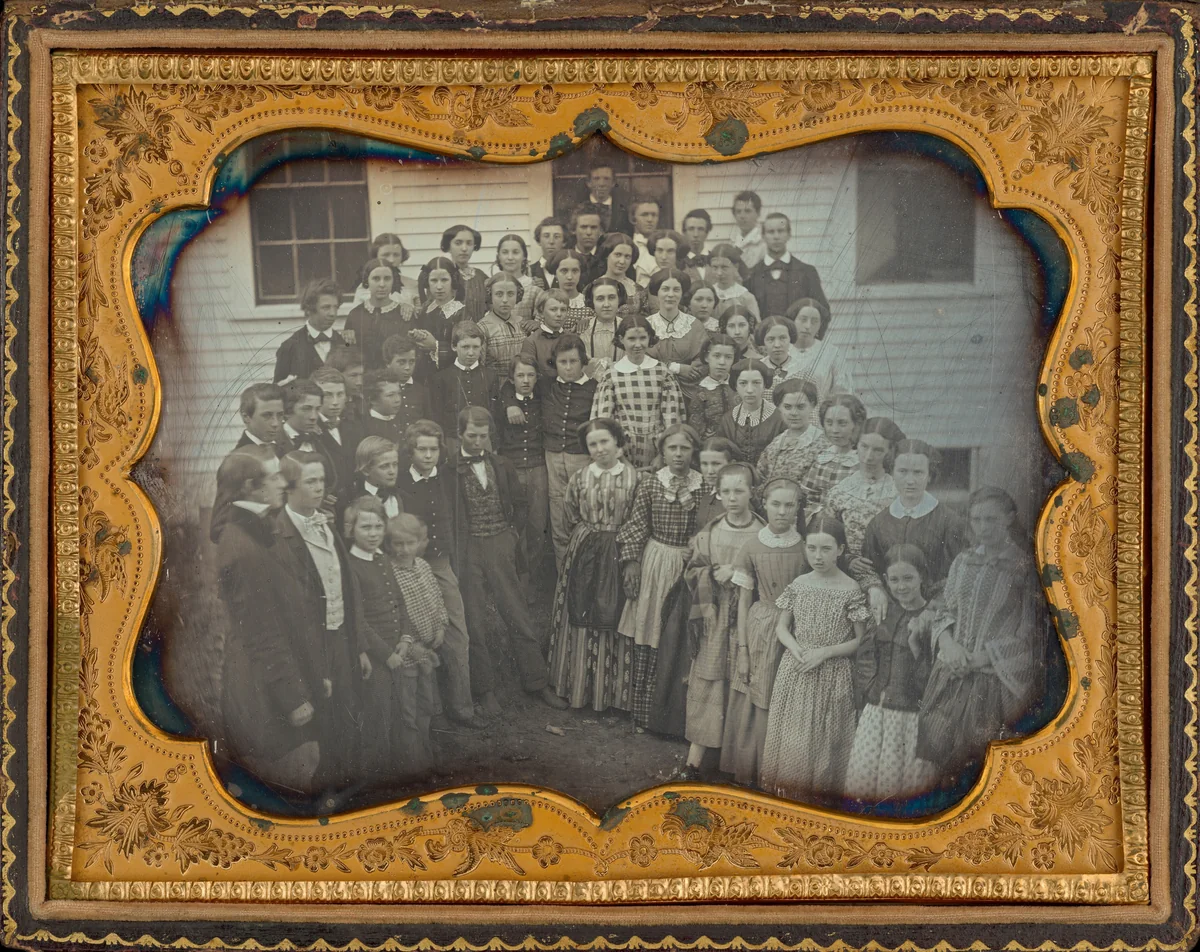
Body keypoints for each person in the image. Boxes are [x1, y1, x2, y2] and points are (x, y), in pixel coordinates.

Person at [910, 488, 1043, 789]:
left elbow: (1031, 634)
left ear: (1009, 518)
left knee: (977, 768)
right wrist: (948, 644)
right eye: (976, 520)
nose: (983, 527)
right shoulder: (963, 561)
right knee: (935, 759)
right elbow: (945, 609)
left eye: (991, 519)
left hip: (990, 680)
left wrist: (982, 658)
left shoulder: (1024, 568)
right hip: (950, 671)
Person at [215, 447, 324, 795]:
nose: (283, 483)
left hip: (275, 675)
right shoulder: (243, 546)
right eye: (275, 476)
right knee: (286, 782)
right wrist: (292, 697)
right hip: (266, 689)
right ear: (251, 486)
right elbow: (260, 633)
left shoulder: (257, 530)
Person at [273, 451, 375, 807]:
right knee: (322, 721)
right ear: (289, 486)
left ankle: (348, 790)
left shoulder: (325, 525)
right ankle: (320, 797)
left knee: (348, 712)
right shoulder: (278, 535)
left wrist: (359, 645)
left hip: (341, 637)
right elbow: (286, 611)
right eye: (311, 481)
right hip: (309, 645)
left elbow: (348, 588)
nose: (320, 488)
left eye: (322, 480)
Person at [451, 407, 568, 714]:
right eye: (471, 436)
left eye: (483, 435)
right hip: (469, 549)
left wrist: (511, 535)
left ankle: (537, 681)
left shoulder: (501, 464)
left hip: (500, 545)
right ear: (460, 435)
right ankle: (485, 690)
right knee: (474, 620)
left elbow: (519, 502)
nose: (478, 441)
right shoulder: (451, 470)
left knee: (516, 611)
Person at [759, 514, 871, 801]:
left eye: (826, 549)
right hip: (797, 670)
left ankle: (818, 802)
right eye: (812, 548)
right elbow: (782, 628)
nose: (818, 556)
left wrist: (825, 652)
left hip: (833, 674)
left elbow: (860, 640)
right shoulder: (799, 583)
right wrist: (795, 648)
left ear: (840, 550)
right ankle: (789, 798)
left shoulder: (850, 589)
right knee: (795, 737)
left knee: (823, 739)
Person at [678, 462, 765, 780]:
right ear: (717, 493)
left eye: (739, 491)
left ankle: (737, 766)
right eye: (725, 491)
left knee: (743, 681)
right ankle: (693, 762)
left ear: (751, 492)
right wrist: (712, 573)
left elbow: (770, 580)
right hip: (714, 616)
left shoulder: (762, 532)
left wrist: (739, 573)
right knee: (709, 678)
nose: (732, 497)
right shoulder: (712, 530)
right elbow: (693, 569)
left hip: (747, 618)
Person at [547, 418, 641, 711]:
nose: (600, 449)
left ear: (617, 442)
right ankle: (579, 688)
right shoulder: (580, 478)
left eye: (604, 441)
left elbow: (638, 519)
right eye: (593, 444)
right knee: (581, 608)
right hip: (585, 548)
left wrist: (624, 550)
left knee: (616, 612)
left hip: (621, 550)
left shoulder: (635, 478)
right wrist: (590, 537)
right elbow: (569, 515)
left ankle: (613, 695)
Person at [616, 423, 702, 731]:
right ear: (662, 452)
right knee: (650, 630)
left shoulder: (703, 486)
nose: (678, 454)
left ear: (693, 452)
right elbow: (637, 525)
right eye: (672, 448)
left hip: (686, 565)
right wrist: (631, 562)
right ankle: (642, 712)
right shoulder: (651, 484)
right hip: (655, 562)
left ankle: (671, 716)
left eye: (685, 448)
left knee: (675, 635)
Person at [723, 477, 808, 785]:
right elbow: (745, 600)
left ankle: (781, 771)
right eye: (776, 504)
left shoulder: (805, 547)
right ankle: (753, 771)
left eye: (789, 505)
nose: (782, 511)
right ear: (765, 505)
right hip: (760, 626)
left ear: (797, 508)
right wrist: (743, 650)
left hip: (797, 627)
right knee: (757, 692)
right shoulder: (752, 545)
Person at [394, 420, 480, 728]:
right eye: (422, 449)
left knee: (457, 633)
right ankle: (430, 713)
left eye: (434, 449)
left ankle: (462, 707)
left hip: (442, 564)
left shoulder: (448, 478)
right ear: (411, 451)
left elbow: (459, 521)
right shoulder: (400, 482)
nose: (428, 455)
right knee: (419, 634)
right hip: (409, 567)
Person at [341, 496, 429, 785]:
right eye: (366, 527)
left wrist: (405, 638)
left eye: (378, 527)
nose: (373, 533)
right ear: (351, 529)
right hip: (376, 658)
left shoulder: (382, 559)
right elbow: (358, 620)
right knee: (377, 720)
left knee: (399, 715)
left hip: (397, 651)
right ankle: (373, 783)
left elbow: (399, 603)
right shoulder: (350, 566)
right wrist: (385, 654)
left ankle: (398, 775)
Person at [844, 543, 932, 800]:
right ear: (885, 580)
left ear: (922, 576)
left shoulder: (932, 617)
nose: (901, 586)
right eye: (894, 580)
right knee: (864, 783)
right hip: (876, 712)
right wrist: (870, 692)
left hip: (911, 718)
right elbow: (866, 656)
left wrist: (916, 646)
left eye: (908, 578)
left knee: (897, 789)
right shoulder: (884, 612)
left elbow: (933, 676)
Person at [857, 439, 971, 621]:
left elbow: (960, 575)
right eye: (903, 471)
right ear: (892, 473)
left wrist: (933, 609)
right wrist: (874, 588)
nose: (910, 480)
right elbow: (870, 569)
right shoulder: (878, 524)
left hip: (936, 615)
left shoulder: (950, 522)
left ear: (930, 475)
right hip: (889, 616)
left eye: (918, 472)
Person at [383, 512, 448, 778]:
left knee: (425, 704)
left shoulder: (422, 566)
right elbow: (395, 617)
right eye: (398, 543)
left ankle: (424, 751)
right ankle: (412, 765)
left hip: (427, 650)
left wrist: (441, 625)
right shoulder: (390, 573)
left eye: (410, 543)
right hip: (408, 653)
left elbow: (437, 598)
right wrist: (410, 646)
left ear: (420, 542)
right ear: (389, 544)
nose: (404, 549)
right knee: (407, 710)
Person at [590, 316, 685, 470]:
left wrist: (663, 455)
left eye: (642, 338)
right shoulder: (611, 375)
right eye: (631, 339)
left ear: (649, 338)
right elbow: (603, 421)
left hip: (657, 448)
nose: (638, 344)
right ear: (621, 339)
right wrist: (619, 457)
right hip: (622, 450)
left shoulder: (662, 373)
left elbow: (672, 418)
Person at [540, 335, 598, 569]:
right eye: (562, 362)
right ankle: (563, 579)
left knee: (583, 517)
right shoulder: (546, 386)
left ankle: (584, 577)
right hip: (553, 458)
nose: (567, 367)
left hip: (582, 459)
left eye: (573, 361)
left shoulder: (594, 388)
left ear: (583, 361)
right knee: (559, 518)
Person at [498, 355, 551, 591]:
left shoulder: (544, 400)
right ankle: (518, 580)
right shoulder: (503, 405)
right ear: (511, 379)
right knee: (516, 526)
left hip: (538, 469)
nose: (526, 380)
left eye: (530, 375)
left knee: (537, 526)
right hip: (514, 469)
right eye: (520, 375)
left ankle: (533, 580)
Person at [825, 417, 905, 558]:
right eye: (864, 447)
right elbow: (828, 539)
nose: (868, 457)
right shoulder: (839, 492)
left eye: (878, 450)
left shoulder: (901, 494)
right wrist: (848, 560)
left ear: (891, 452)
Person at [746, 212, 830, 320]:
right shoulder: (752, 275)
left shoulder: (807, 272)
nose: (776, 237)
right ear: (763, 236)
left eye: (781, 231)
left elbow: (823, 312)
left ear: (789, 234)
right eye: (771, 232)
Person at [798, 393, 867, 522]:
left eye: (842, 423)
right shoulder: (823, 459)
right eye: (829, 423)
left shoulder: (863, 462)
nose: (835, 430)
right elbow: (807, 497)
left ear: (857, 424)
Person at [646, 269, 707, 399]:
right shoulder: (646, 326)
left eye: (676, 290)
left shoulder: (694, 325)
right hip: (652, 390)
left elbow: (702, 359)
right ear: (657, 292)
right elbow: (641, 360)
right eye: (665, 289)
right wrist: (677, 368)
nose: (670, 294)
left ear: (682, 293)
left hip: (688, 393)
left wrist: (690, 371)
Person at [274, 278, 347, 385]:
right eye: (326, 307)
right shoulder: (290, 347)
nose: (333, 313)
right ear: (309, 309)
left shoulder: (344, 343)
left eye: (336, 307)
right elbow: (278, 389)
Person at [757, 379, 828, 489]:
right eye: (787, 407)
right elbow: (760, 480)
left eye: (800, 407)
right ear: (779, 407)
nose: (794, 413)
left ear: (812, 405)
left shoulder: (824, 444)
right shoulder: (774, 445)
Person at [430, 321, 497, 435]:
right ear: (454, 346)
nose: (471, 353)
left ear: (481, 347)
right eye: (465, 347)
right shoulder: (440, 378)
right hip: (452, 438)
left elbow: (495, 415)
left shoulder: (491, 376)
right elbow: (437, 417)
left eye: (475, 347)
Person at [343, 258, 411, 371]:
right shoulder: (355, 315)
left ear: (393, 281)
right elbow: (348, 351)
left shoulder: (404, 314)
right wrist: (346, 341)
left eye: (387, 279)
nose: (382, 284)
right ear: (367, 281)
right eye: (376, 279)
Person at [785, 297, 855, 401]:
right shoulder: (781, 350)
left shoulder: (831, 353)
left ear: (820, 326)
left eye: (814, 322)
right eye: (803, 320)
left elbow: (842, 392)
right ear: (792, 321)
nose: (808, 326)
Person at [717, 359, 784, 465]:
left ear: (765, 385)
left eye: (756, 383)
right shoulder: (727, 420)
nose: (749, 390)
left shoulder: (780, 418)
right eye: (743, 383)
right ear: (735, 386)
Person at [416, 255, 467, 372]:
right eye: (434, 280)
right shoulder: (425, 310)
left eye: (444, 280)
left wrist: (436, 346)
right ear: (427, 282)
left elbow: (466, 350)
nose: (439, 286)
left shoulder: (462, 313)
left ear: (453, 281)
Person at [687, 335, 738, 442]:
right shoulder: (700, 391)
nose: (722, 362)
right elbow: (696, 430)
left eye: (728, 357)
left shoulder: (739, 387)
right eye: (716, 356)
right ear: (707, 357)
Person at [311, 366, 353, 498]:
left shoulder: (354, 426)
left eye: (340, 394)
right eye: (327, 395)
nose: (335, 402)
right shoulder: (309, 430)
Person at [478, 272, 527, 378]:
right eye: (499, 294)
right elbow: (480, 366)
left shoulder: (522, 324)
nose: (505, 300)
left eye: (510, 294)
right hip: (494, 384)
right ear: (490, 296)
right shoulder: (482, 328)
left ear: (517, 295)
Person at [350, 233, 418, 308]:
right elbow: (356, 314)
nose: (391, 260)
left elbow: (420, 312)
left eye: (396, 255)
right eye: (386, 255)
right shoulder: (365, 287)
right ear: (375, 256)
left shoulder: (413, 285)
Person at [380, 336, 433, 431]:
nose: (407, 367)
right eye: (401, 362)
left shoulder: (421, 391)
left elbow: (429, 423)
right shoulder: (380, 388)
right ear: (388, 363)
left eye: (412, 361)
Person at [346, 436, 403, 521]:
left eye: (395, 464)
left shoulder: (403, 497)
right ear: (366, 470)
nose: (392, 471)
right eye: (384, 466)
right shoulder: (350, 499)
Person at [518, 288, 569, 379]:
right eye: (553, 309)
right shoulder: (532, 342)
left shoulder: (572, 338)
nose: (559, 314)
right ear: (541, 312)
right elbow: (528, 375)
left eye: (563, 310)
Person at [441, 224, 488, 322]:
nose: (464, 248)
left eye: (469, 243)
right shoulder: (440, 276)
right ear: (449, 246)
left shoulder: (480, 276)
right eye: (458, 243)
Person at [594, 232, 646, 318]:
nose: (622, 261)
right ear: (607, 255)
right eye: (618, 255)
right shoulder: (592, 288)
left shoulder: (639, 291)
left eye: (627, 256)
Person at [579, 278, 624, 378]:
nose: (606, 304)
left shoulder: (627, 329)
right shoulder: (583, 330)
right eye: (600, 299)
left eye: (611, 298)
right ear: (592, 301)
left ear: (619, 300)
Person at [755, 316, 806, 402]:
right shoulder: (757, 369)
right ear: (763, 341)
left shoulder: (803, 370)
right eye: (771, 339)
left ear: (790, 338)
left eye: (783, 338)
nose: (777, 345)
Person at [707, 243, 760, 322]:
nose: (719, 273)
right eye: (715, 267)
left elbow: (756, 325)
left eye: (724, 267)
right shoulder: (708, 294)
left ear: (736, 267)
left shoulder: (746, 297)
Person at [545, 249, 594, 333]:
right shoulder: (546, 301)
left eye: (575, 271)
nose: (570, 277)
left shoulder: (588, 302)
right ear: (555, 274)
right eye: (564, 271)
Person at [693, 436, 738, 528]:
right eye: (704, 464)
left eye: (716, 464)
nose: (710, 471)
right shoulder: (706, 498)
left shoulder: (739, 501)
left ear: (732, 464)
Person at [234, 382, 289, 457]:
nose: (275, 423)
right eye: (267, 415)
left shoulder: (285, 450)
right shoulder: (238, 458)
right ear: (246, 417)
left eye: (280, 415)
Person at [490, 233, 535, 324]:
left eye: (515, 252)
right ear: (499, 256)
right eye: (505, 252)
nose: (510, 257)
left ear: (524, 256)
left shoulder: (533, 287)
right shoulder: (490, 285)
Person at [326, 346, 365, 425]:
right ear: (336, 374)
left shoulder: (361, 402)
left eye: (361, 375)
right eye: (353, 375)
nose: (359, 382)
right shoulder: (325, 407)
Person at [568, 204, 605, 286]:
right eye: (584, 227)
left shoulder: (607, 259)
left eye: (593, 227)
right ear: (574, 230)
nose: (589, 232)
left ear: (601, 231)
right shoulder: (565, 257)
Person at [729, 190, 766, 269]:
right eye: (738, 211)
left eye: (747, 211)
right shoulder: (732, 243)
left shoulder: (764, 244)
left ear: (758, 213)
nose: (742, 216)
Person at [629, 199, 662, 285]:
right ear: (633, 219)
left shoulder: (664, 248)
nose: (650, 219)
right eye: (644, 215)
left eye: (654, 215)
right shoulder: (627, 246)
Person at [531, 217, 567, 290]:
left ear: (564, 242)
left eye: (556, 236)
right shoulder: (529, 272)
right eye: (546, 236)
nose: (551, 241)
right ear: (539, 241)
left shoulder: (571, 270)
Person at [680, 208, 713, 280]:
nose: (696, 234)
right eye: (691, 229)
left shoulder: (715, 259)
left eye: (700, 229)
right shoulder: (678, 263)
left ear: (707, 232)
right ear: (684, 232)